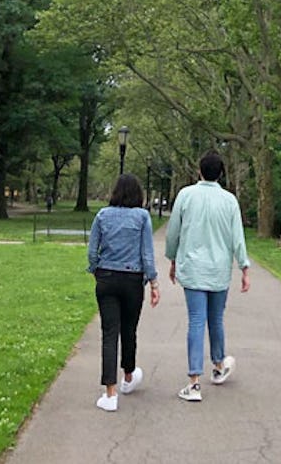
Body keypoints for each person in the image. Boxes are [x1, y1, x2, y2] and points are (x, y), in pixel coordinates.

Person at [165, 149, 250, 402]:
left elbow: (173, 232)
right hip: (219, 270)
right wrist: (244, 267)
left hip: (192, 268)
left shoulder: (185, 195)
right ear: (221, 173)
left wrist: (172, 259)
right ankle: (218, 364)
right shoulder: (229, 201)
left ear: (199, 170)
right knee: (216, 319)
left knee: (196, 320)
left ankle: (193, 382)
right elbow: (238, 237)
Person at [87, 173, 160, 411]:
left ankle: (110, 392)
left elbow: (92, 248)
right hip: (132, 279)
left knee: (109, 333)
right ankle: (128, 375)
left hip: (107, 277)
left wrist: (95, 269)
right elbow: (147, 253)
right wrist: (154, 282)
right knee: (129, 330)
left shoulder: (103, 215)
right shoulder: (142, 217)